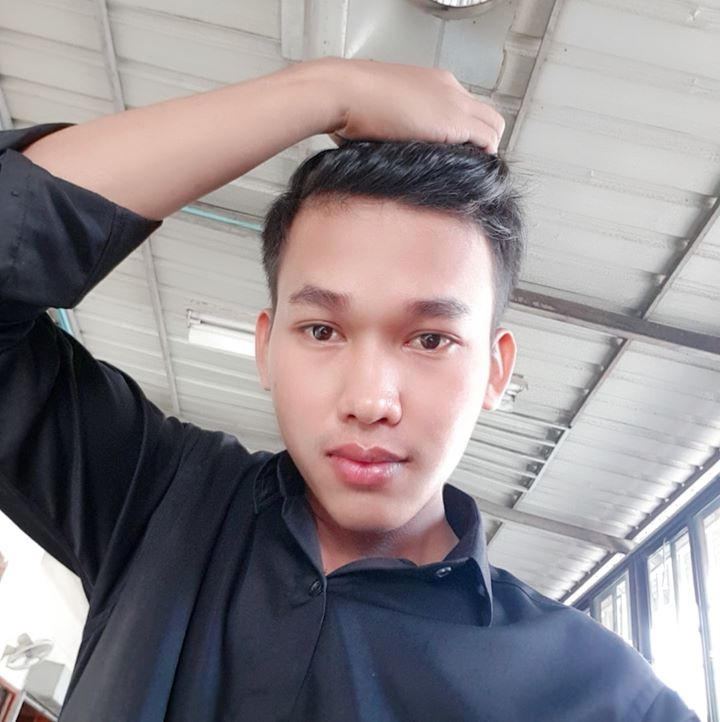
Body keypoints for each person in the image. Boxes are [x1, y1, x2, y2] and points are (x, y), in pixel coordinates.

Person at [0, 57, 699, 721]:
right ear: (266, 348)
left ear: (495, 370)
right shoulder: (156, 500)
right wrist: (324, 88)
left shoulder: (599, 695)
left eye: (430, 340)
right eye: (322, 330)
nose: (370, 401)